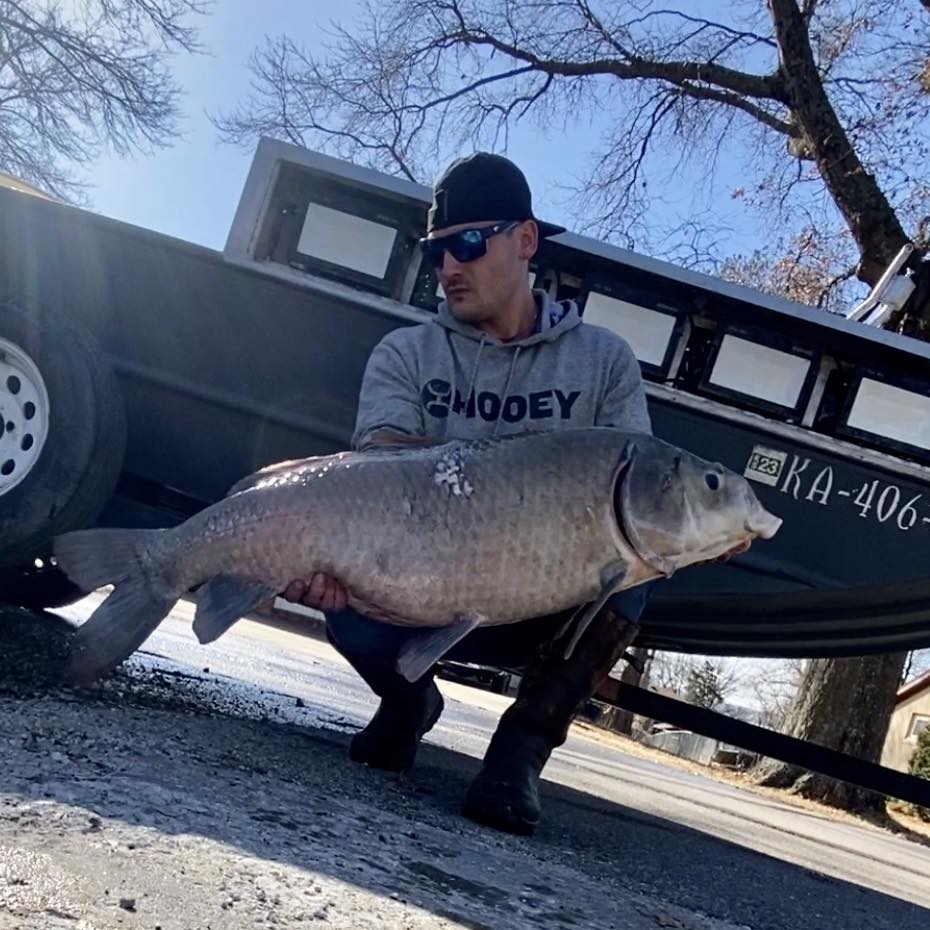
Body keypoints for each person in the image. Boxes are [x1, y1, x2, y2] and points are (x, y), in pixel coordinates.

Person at [283, 152, 655, 835]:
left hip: (545, 600)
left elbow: (633, 484)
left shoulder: (604, 362)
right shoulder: (405, 354)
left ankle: (519, 754)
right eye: (436, 252)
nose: (449, 267)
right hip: (417, 592)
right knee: (340, 566)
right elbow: (377, 478)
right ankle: (406, 706)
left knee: (634, 567)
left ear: (526, 241)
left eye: (468, 244)